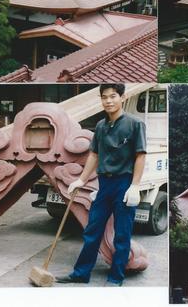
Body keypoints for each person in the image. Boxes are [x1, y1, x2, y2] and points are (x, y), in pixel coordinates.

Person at [57, 84, 146, 286]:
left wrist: (135, 186)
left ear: (122, 97)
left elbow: (140, 156)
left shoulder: (134, 124)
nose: (108, 101)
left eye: (113, 96)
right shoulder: (100, 126)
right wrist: (81, 179)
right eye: (104, 97)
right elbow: (94, 155)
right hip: (104, 183)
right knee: (92, 231)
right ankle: (81, 273)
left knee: (121, 234)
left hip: (124, 183)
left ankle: (115, 278)